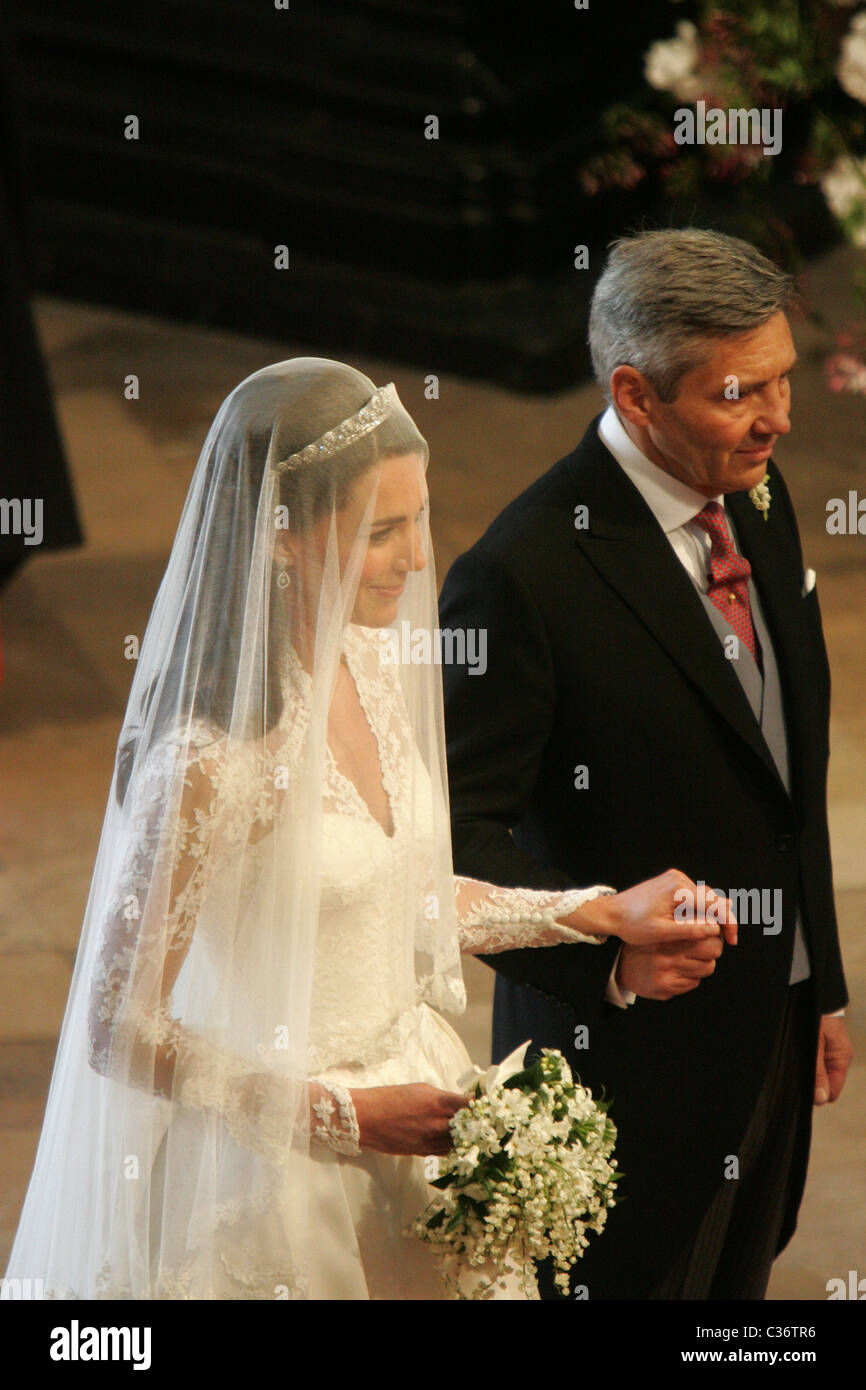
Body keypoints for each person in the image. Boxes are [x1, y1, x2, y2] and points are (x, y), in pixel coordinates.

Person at [5, 357, 727, 1301]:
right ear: (282, 539)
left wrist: (593, 914)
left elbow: (406, 897)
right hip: (276, 1172)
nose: (418, 559)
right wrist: (345, 1116)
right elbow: (116, 1027)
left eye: (418, 518)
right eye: (383, 532)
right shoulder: (207, 762)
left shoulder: (375, 660)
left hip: (419, 1104)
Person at [440, 229, 852, 1300]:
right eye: (737, 393)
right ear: (635, 394)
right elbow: (453, 840)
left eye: (781, 382)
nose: (777, 418)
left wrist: (820, 985)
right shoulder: (518, 574)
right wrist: (606, 951)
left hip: (770, 1022)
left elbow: (784, 774)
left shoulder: (754, 496)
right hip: (623, 1070)